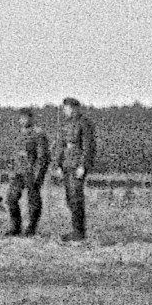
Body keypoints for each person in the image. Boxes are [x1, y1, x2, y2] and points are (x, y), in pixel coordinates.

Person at [55, 96, 98, 242]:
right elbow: (60, 145)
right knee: (69, 198)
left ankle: (79, 233)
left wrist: (83, 166)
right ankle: (76, 231)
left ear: (76, 108)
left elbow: (88, 146)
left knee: (76, 198)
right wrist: (58, 164)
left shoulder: (84, 123)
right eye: (65, 108)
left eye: (69, 108)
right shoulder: (64, 124)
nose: (66, 110)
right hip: (67, 164)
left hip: (77, 164)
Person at [4, 107, 50, 237]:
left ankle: (31, 228)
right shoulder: (19, 135)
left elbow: (43, 157)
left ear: (31, 118)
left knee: (33, 201)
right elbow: (15, 155)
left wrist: (38, 174)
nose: (23, 120)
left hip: (31, 172)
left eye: (26, 117)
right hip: (18, 172)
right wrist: (11, 169)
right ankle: (15, 227)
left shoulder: (38, 134)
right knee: (11, 198)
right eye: (21, 118)